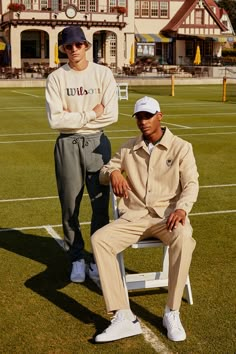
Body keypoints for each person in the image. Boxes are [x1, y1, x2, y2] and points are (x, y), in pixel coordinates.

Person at [91, 96, 199, 342]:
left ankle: (172, 312)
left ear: (160, 116)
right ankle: (122, 315)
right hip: (135, 218)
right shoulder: (128, 147)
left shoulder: (182, 147)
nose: (143, 121)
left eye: (148, 116)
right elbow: (104, 172)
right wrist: (115, 172)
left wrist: (182, 209)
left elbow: (191, 184)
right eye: (139, 117)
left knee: (184, 238)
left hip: (168, 218)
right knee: (100, 240)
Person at [45, 26, 118, 283]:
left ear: (86, 45)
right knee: (69, 206)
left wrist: (74, 118)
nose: (74, 50)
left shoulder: (103, 74)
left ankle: (97, 259)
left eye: (78, 45)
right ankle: (76, 258)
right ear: (63, 49)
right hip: (67, 144)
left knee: (100, 205)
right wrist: (91, 114)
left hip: (98, 143)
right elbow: (56, 121)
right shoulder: (56, 78)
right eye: (68, 46)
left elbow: (112, 114)